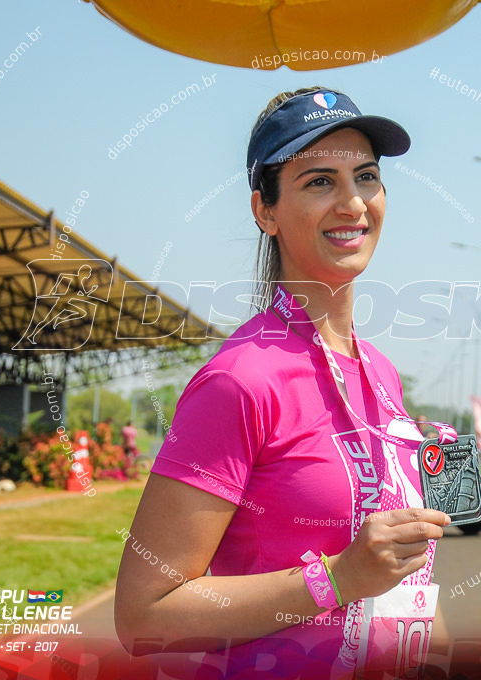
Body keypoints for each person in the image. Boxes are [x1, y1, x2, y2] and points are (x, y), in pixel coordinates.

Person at [114, 87, 454, 679]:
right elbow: (143, 615)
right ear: (264, 211)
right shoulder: (240, 380)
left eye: (366, 176)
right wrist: (338, 578)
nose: (352, 202)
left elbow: (402, 582)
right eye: (319, 181)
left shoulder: (380, 373)